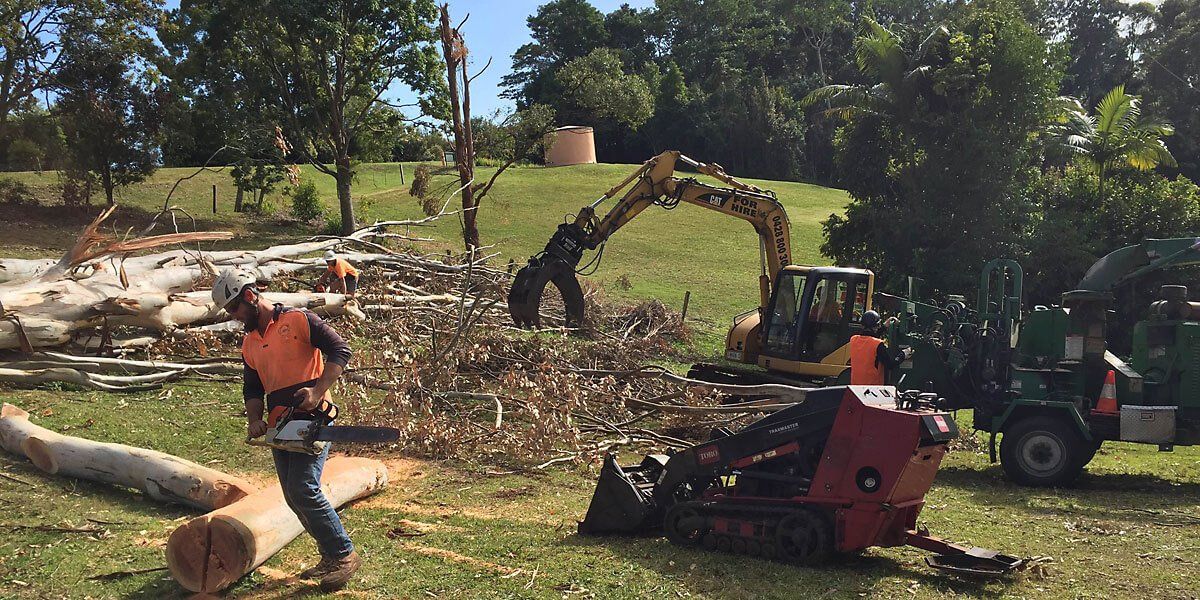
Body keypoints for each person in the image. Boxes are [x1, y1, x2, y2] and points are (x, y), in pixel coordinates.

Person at [212, 268, 361, 591]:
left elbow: (341, 350)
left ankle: (343, 553)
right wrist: (254, 419)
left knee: (304, 487)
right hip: (280, 426)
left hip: (313, 419)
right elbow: (252, 388)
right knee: (293, 495)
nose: (235, 317)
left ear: (250, 296)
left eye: (235, 309)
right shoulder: (250, 342)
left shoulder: (298, 320)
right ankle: (329, 554)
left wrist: (318, 391)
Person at [848, 310, 911, 385]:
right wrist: (903, 354)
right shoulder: (878, 344)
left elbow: (868, 337)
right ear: (876, 326)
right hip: (872, 390)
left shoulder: (853, 339)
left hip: (855, 388)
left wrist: (884, 327)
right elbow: (890, 365)